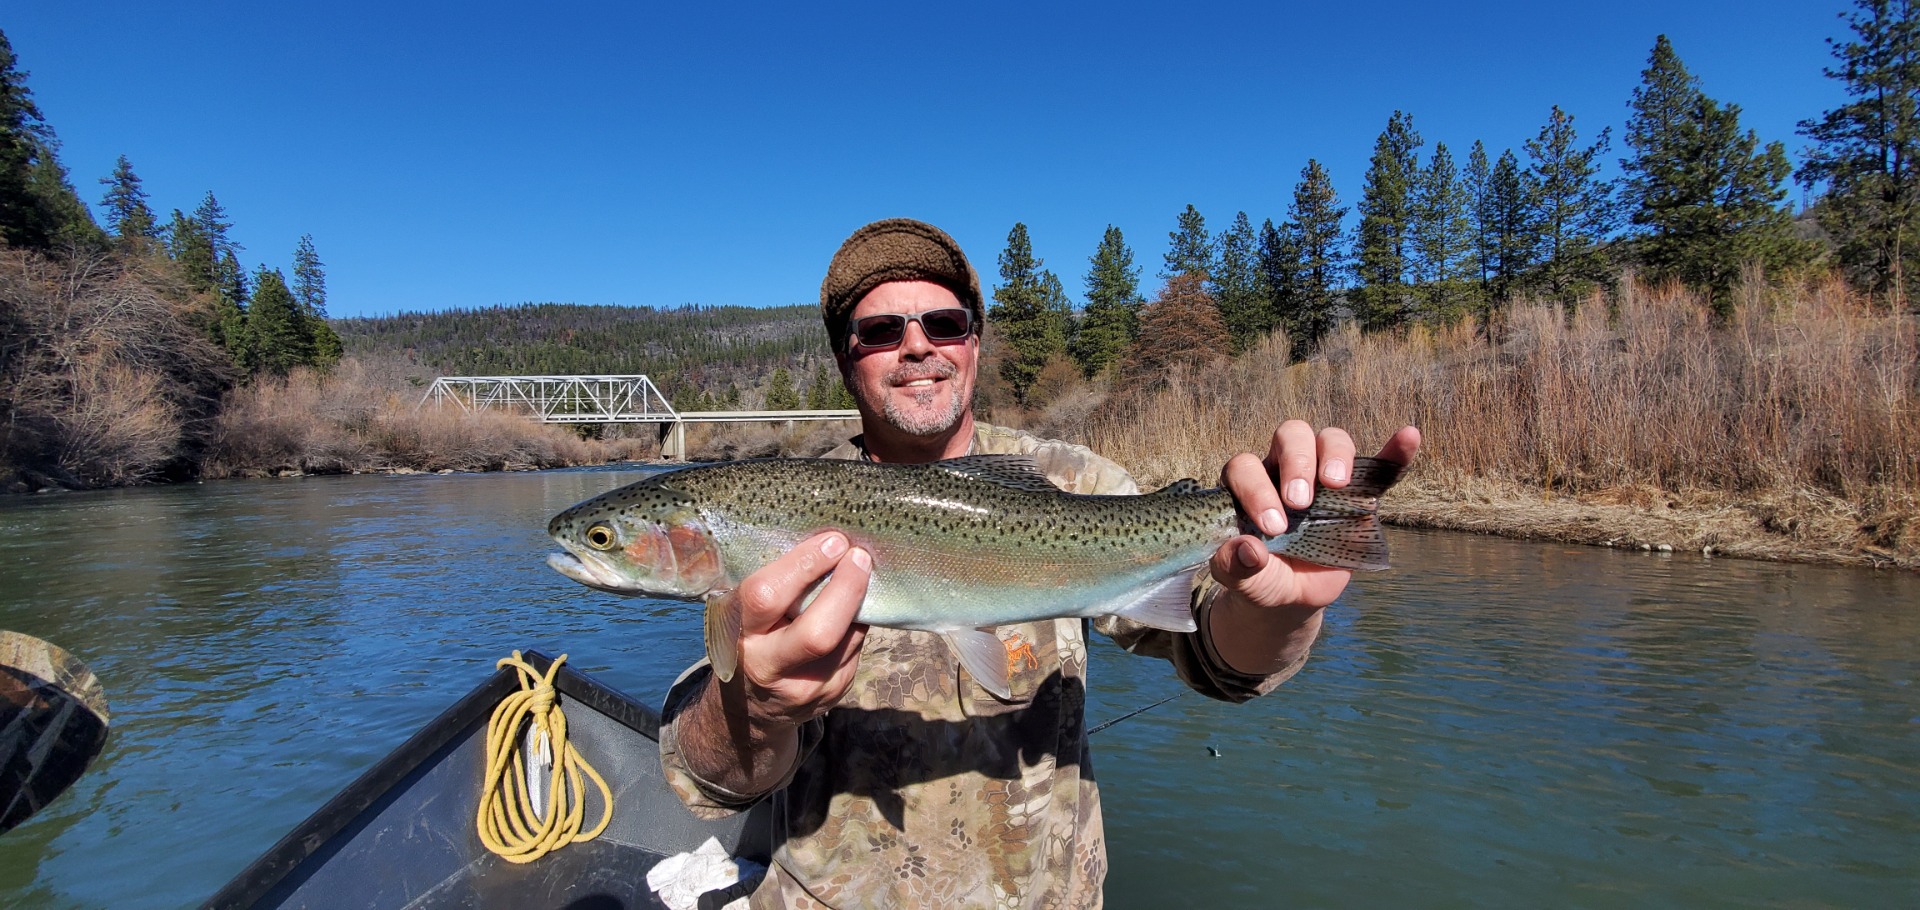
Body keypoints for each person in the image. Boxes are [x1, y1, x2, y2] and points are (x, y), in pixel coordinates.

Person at [657, 218, 1421, 908]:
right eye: (883, 330)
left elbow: (1217, 654)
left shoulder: (1080, 484)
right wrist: (752, 709)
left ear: (974, 342)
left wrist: (1279, 604)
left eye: (945, 323)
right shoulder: (782, 510)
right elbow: (709, 780)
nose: (918, 345)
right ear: (844, 357)